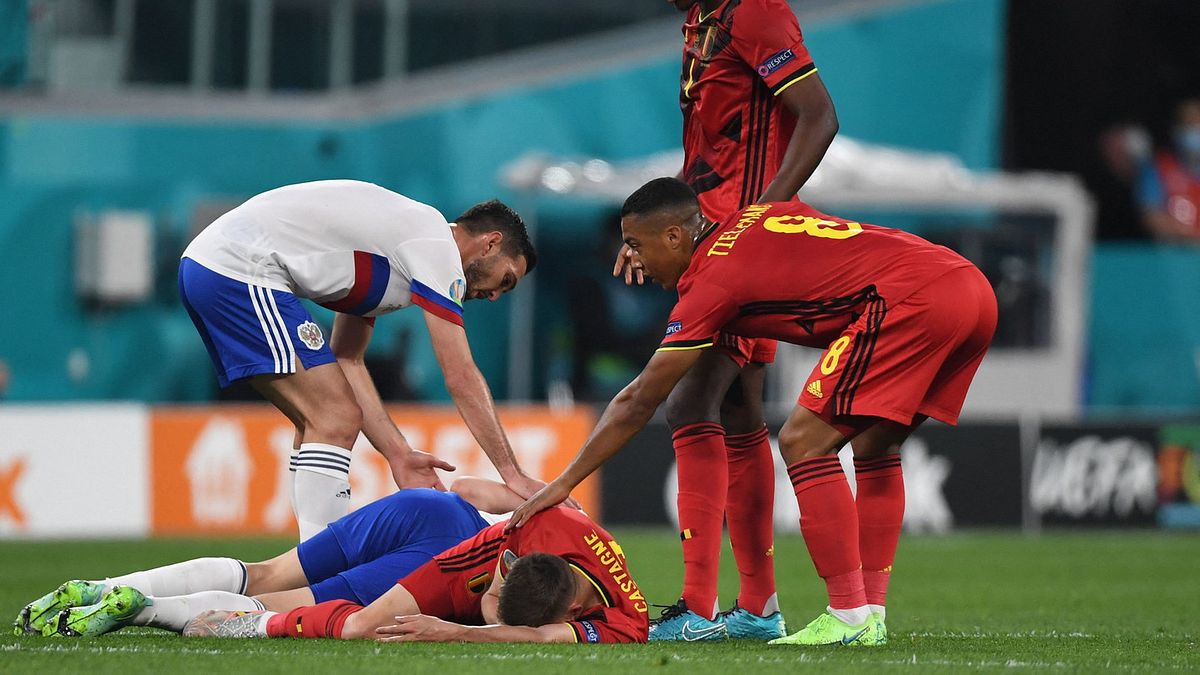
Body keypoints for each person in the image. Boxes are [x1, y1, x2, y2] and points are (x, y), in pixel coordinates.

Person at [512, 178, 997, 647]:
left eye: (636, 244)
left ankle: (848, 615)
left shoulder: (710, 282)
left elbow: (639, 401)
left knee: (803, 441)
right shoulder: (751, 219)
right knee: (875, 445)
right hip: (968, 288)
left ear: (676, 236)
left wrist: (564, 481)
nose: (634, 260)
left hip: (912, 300)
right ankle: (870, 614)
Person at [612, 0, 839, 642]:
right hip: (708, 239)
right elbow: (709, 154)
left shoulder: (756, 11)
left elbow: (819, 116)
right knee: (739, 416)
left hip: (735, 246)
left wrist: (759, 219)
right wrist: (656, 233)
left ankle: (697, 606)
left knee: (687, 405)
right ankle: (760, 608)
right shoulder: (701, 21)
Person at [178, 179, 550, 542]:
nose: (496, 295)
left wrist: (399, 454)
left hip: (212, 266)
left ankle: (307, 562)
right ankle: (317, 570)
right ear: (490, 244)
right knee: (333, 414)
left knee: (319, 417)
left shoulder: (394, 250)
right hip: (237, 268)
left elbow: (348, 360)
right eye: (506, 280)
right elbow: (460, 375)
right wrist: (512, 474)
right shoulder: (436, 246)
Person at [16, 478, 513, 637]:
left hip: (429, 506)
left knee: (266, 571)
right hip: (456, 560)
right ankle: (139, 605)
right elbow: (505, 612)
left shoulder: (554, 511)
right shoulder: (577, 560)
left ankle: (97, 587)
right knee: (285, 600)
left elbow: (466, 486)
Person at [183, 503, 649, 644]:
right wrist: (475, 619)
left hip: (494, 576)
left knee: (367, 625)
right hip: (469, 564)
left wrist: (451, 631)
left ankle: (254, 618)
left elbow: (546, 638)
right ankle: (246, 617)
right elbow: (493, 600)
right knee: (363, 622)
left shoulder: (628, 621)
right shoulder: (539, 529)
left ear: (574, 610)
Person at [1136, 97, 1200, 242]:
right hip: (1173, 254)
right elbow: (1152, 216)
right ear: (1177, 130)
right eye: (1190, 126)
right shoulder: (1158, 167)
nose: (1196, 132)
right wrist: (1193, 238)